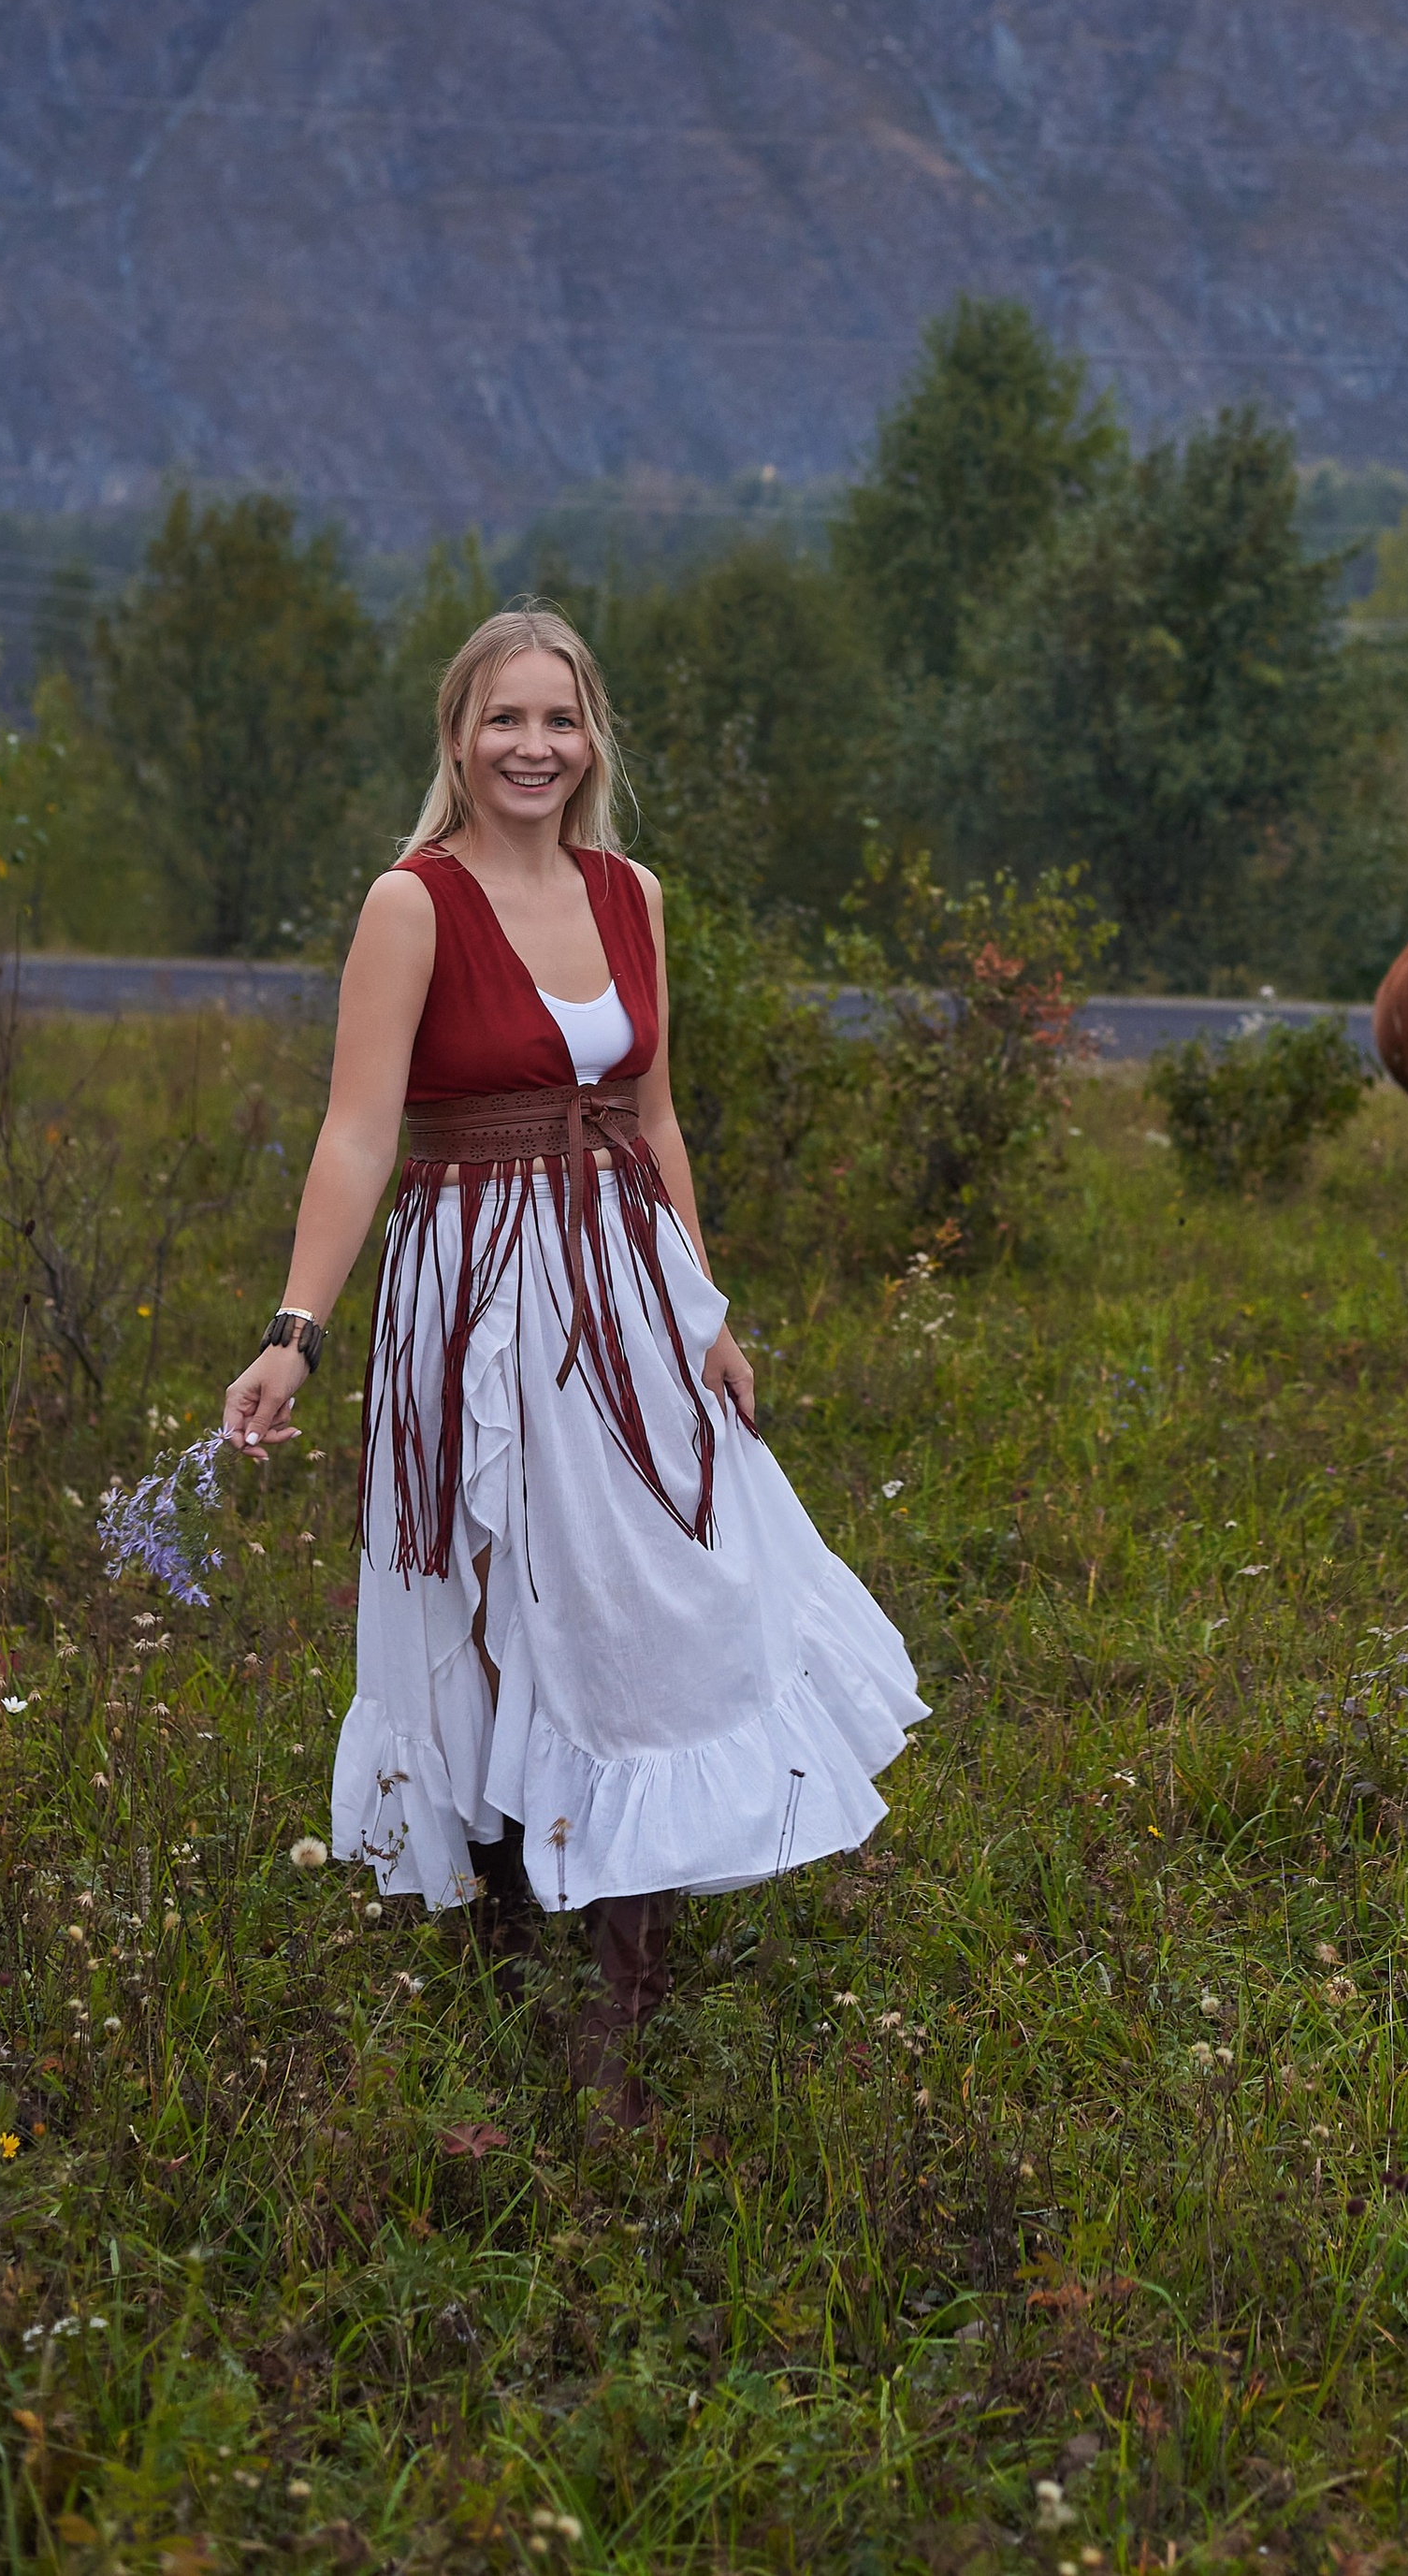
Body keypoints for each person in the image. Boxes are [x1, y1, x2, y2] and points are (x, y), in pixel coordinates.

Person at [220, 606, 925, 2122]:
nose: (532, 748)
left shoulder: (630, 893)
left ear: (592, 737)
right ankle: (502, 1926)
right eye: (504, 719)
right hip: (472, 1288)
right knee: (487, 1606)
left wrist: (705, 1311)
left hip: (624, 1288)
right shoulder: (413, 903)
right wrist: (295, 1330)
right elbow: (357, 1131)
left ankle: (620, 1984)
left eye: (559, 719)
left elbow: (654, 1117)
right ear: (457, 737)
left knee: (644, 1596)